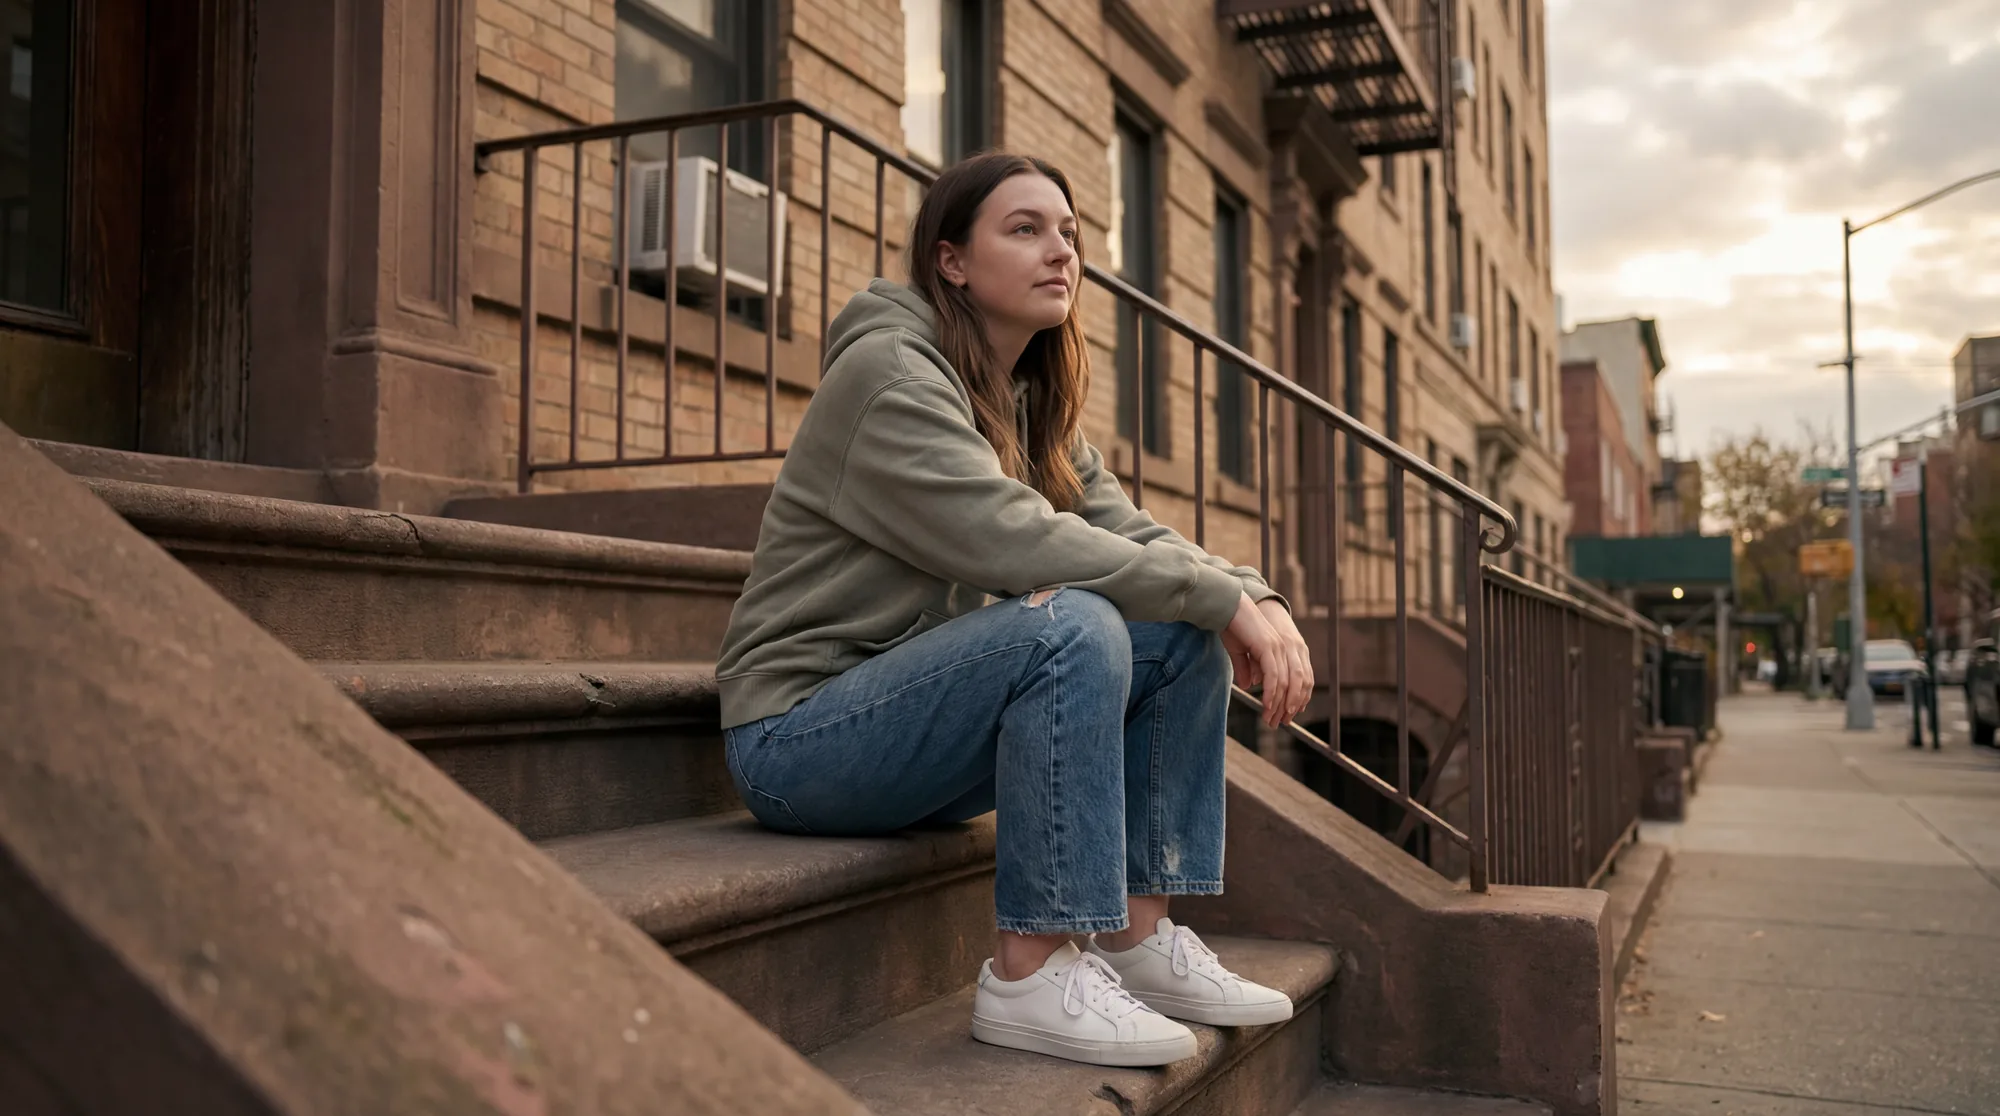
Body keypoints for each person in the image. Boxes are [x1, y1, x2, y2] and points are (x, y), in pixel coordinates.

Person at [715, 152, 1314, 1068]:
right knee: (1073, 625)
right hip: (799, 741)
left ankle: (1139, 940)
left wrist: (1247, 590)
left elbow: (1127, 529)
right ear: (952, 261)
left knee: (1175, 635)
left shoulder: (1032, 399)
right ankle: (1030, 975)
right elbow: (1017, 538)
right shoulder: (887, 377)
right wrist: (1224, 597)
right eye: (1025, 229)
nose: (1060, 252)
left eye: (1068, 233)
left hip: (917, 728)